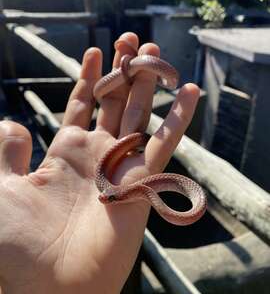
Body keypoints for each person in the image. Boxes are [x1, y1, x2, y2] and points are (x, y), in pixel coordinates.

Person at [0, 32, 199, 294]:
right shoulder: (134, 188)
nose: (105, 198)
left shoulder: (143, 191)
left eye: (112, 198)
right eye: (112, 197)